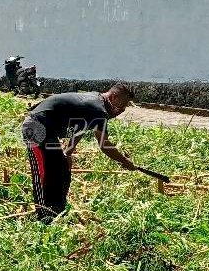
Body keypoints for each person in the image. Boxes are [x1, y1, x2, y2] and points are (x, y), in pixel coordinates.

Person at [21, 83, 139, 223]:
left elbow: (81, 127)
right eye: (121, 106)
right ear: (113, 97)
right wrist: (124, 161)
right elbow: (104, 145)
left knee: (62, 167)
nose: (121, 111)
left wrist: (68, 153)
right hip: (36, 126)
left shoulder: (96, 102)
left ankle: (56, 212)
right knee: (45, 171)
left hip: (48, 131)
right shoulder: (99, 109)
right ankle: (43, 214)